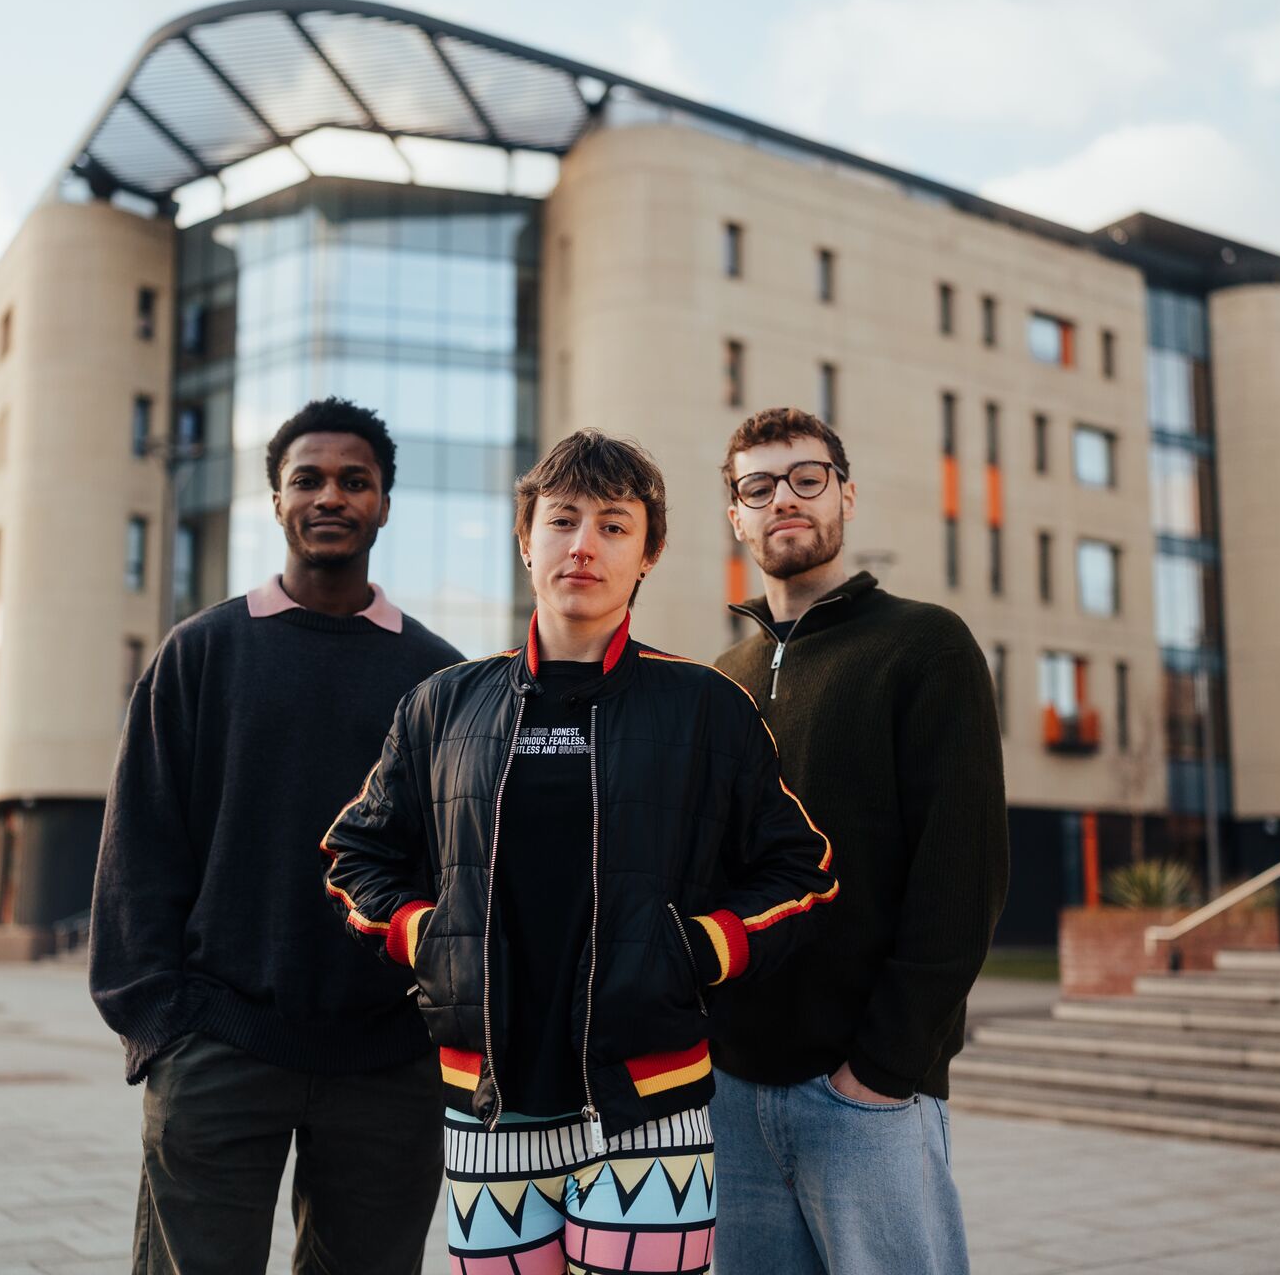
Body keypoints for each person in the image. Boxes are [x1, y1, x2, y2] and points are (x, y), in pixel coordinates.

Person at [321, 429, 836, 1275]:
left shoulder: (706, 707)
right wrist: (426, 935)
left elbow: (802, 872)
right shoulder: (443, 706)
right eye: (562, 521)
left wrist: (699, 948)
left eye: (613, 526)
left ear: (649, 552)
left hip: (651, 1106)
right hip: (490, 1106)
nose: (584, 546)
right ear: (526, 540)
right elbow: (356, 859)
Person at [89, 397, 462, 1274]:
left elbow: (462, 873)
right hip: (218, 1048)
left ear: (383, 503)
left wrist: (441, 1024)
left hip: (386, 1062)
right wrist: (163, 1026)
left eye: (353, 480)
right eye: (308, 479)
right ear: (277, 500)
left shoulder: (440, 678)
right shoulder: (201, 654)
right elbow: (136, 847)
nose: (330, 495)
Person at [709, 405, 1009, 1273]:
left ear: (846, 495)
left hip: (867, 1096)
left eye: (807, 478)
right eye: (758, 487)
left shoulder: (924, 646)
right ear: (737, 515)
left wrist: (883, 1067)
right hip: (734, 1095)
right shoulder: (719, 681)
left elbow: (966, 876)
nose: (784, 500)